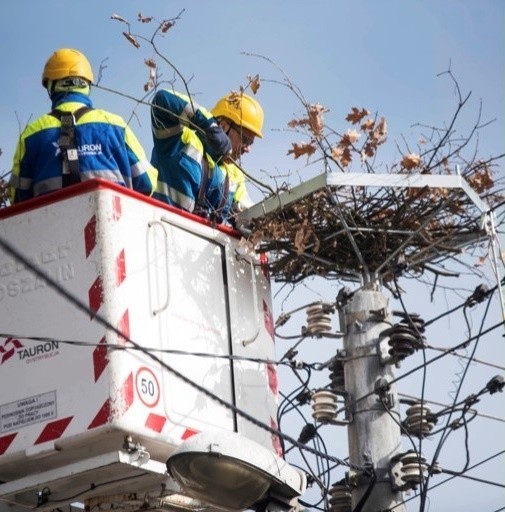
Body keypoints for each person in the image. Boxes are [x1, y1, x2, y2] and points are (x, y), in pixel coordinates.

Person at [9, 48, 158, 204]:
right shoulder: (115, 125)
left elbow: (18, 197)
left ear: (51, 87)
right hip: (115, 222)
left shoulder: (31, 134)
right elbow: (147, 183)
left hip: (50, 226)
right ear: (87, 84)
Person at [150, 88, 263, 222]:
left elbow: (250, 214)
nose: (248, 149)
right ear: (223, 126)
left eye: (251, 143)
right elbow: (161, 101)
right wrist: (209, 126)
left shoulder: (235, 177)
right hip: (157, 230)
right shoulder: (178, 142)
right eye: (245, 140)